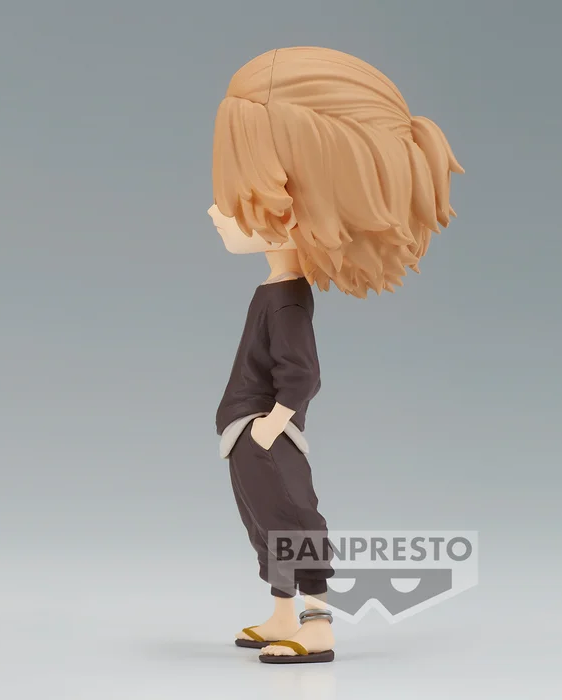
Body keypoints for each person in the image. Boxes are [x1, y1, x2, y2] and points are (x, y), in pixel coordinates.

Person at [208, 46, 463, 664]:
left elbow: (302, 374)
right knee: (264, 522)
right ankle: (281, 614)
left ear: (291, 205)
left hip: (262, 430)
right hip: (245, 432)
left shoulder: (287, 302)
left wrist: (272, 425)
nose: (218, 210)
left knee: (293, 518)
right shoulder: (274, 291)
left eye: (238, 194)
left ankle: (317, 625)